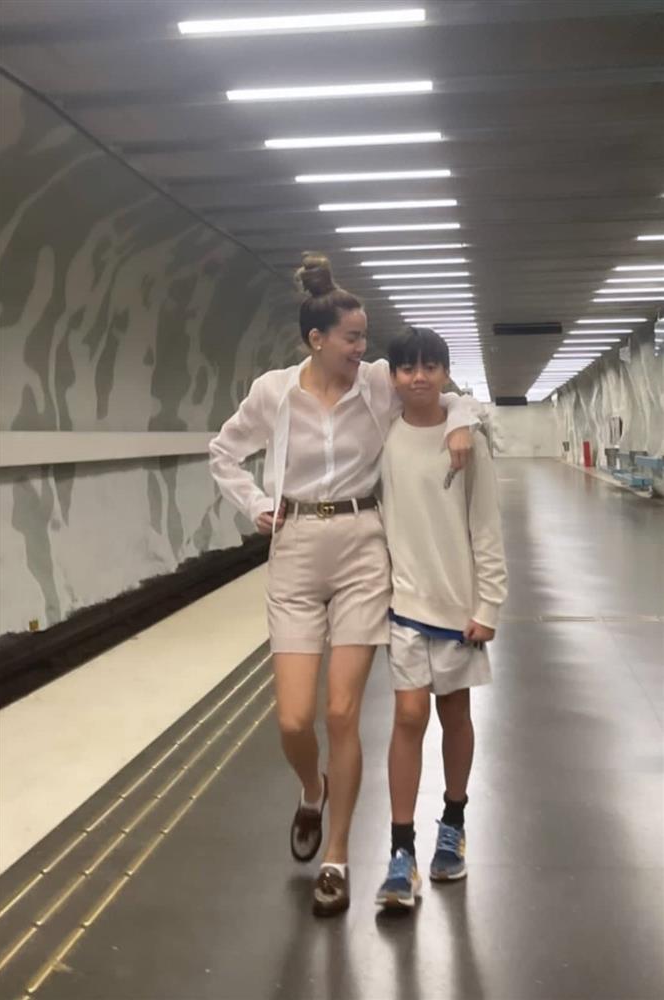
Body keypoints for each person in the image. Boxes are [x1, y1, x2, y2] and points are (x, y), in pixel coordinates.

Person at [209, 256, 479, 917]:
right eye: (352, 338)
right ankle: (312, 788)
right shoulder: (274, 392)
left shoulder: (379, 383)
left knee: (341, 714)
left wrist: (461, 421)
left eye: (364, 337)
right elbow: (223, 451)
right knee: (293, 719)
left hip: (362, 545)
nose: (364, 348)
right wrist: (255, 504)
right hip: (296, 547)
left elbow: (447, 392)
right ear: (317, 340)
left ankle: (336, 857)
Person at [375, 326, 507, 910]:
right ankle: (401, 851)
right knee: (408, 716)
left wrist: (488, 605)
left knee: (455, 712)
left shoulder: (467, 442)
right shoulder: (384, 433)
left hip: (457, 607)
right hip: (404, 604)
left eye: (431, 366)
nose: (419, 377)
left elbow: (487, 525)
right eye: (407, 368)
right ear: (393, 377)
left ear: (446, 373)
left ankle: (453, 822)